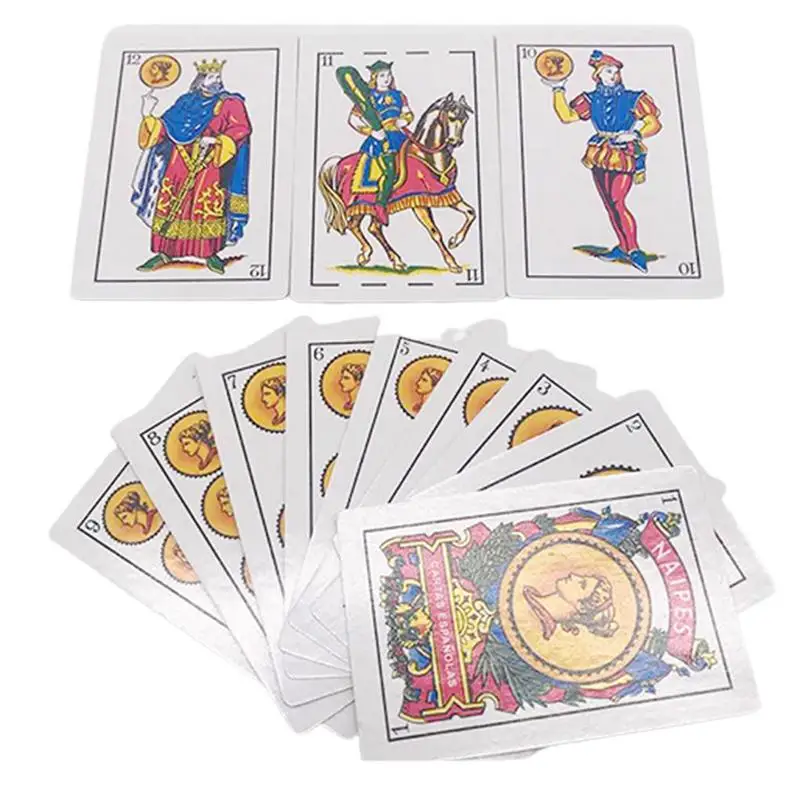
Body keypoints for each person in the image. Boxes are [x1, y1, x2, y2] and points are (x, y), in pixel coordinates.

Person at [543, 50, 662, 273]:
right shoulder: (591, 99)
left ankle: (634, 249)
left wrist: (635, 134)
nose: (613, 75)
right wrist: (558, 89)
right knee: (609, 204)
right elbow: (567, 116)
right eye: (608, 71)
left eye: (615, 71)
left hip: (624, 154)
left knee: (618, 201)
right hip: (599, 153)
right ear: (597, 75)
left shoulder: (634, 98)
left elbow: (653, 122)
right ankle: (623, 246)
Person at [132, 59, 252, 274]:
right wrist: (148, 115)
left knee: (206, 204)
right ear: (201, 79)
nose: (217, 81)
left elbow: (241, 128)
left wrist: (217, 141)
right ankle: (165, 252)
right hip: (179, 161)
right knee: (172, 203)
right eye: (212, 77)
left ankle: (210, 254)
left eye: (218, 77)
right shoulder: (185, 102)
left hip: (210, 162)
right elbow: (165, 129)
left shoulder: (230, 104)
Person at [347, 61, 414, 225]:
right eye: (382, 75)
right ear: (374, 78)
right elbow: (353, 119)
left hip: (399, 135)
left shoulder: (399, 95)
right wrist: (371, 132)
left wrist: (404, 121)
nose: (386, 78)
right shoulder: (367, 97)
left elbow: (408, 113)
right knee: (390, 169)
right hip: (380, 139)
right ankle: (380, 204)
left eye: (388, 75)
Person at [523, 571, 618, 639]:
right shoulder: (530, 593)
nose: (573, 575)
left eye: (582, 584)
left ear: (582, 607)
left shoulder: (537, 624)